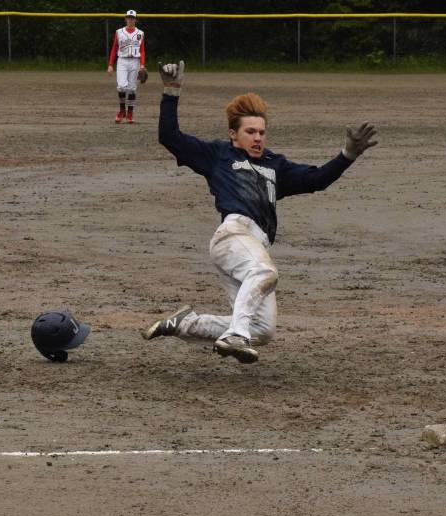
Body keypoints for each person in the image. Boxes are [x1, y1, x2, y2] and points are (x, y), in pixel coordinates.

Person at [142, 61, 377, 364]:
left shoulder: (274, 164)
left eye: (262, 132)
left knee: (262, 329)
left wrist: (347, 156)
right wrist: (171, 92)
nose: (257, 138)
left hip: (255, 245)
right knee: (265, 272)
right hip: (233, 235)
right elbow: (169, 137)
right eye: (250, 132)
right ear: (233, 134)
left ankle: (184, 324)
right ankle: (235, 335)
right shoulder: (218, 156)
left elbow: (315, 180)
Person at [106, 9, 146, 124]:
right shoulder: (119, 32)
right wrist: (110, 65)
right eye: (128, 17)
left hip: (135, 61)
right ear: (125, 19)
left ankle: (130, 113)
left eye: (132, 18)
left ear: (135, 20)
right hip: (122, 61)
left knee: (132, 88)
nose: (130, 20)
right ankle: (122, 110)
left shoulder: (140, 33)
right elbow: (114, 48)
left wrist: (142, 65)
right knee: (121, 87)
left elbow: (142, 51)